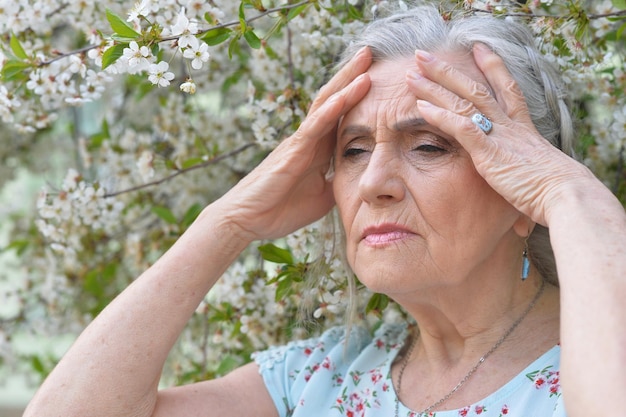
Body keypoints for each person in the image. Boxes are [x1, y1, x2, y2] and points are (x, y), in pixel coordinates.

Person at [24, 4, 626, 417]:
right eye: (353, 149)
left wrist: (570, 196)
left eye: (430, 145)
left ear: (522, 189)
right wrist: (226, 223)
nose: (374, 183)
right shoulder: (322, 377)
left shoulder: (591, 368)